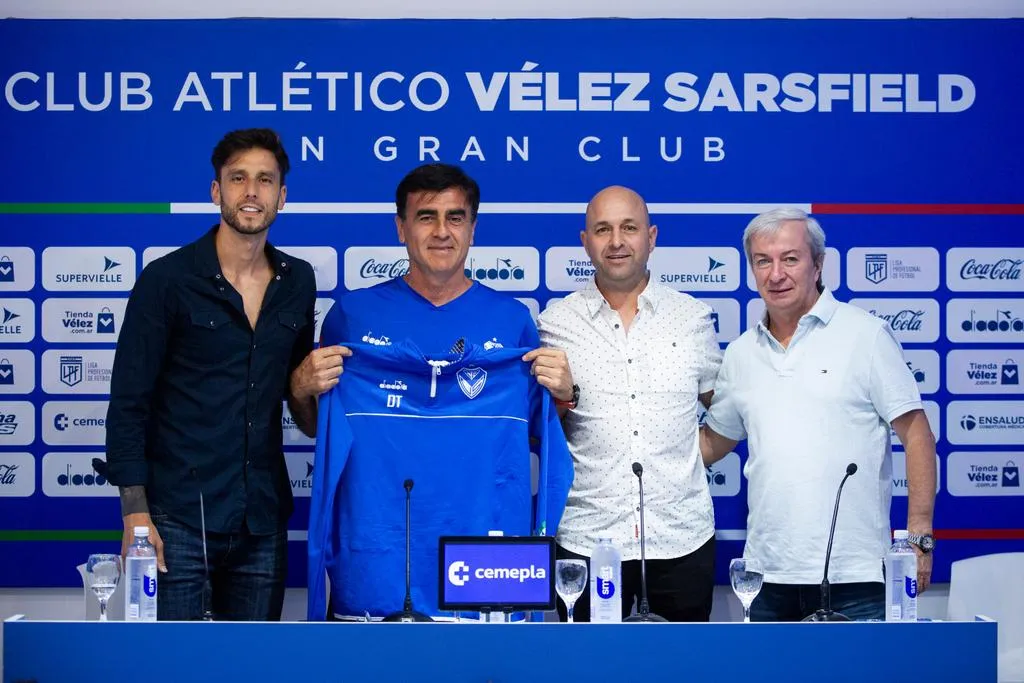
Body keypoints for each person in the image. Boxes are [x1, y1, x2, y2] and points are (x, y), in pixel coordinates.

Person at [302, 163, 573, 620]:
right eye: (426, 216)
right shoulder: (351, 318)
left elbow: (543, 442)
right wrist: (302, 387)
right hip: (379, 571)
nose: (442, 231)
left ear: (473, 229)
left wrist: (563, 396)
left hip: (491, 569)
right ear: (401, 228)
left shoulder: (513, 322)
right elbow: (320, 430)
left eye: (456, 217)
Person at [106, 128, 317, 621]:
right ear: (215, 191)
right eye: (237, 178)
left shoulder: (298, 281)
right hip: (176, 517)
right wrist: (135, 514)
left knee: (253, 669)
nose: (251, 191)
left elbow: (299, 400)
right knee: (175, 669)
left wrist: (308, 390)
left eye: (265, 180)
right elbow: (128, 402)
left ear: (281, 196)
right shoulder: (167, 280)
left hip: (261, 520)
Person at [701, 207, 937, 622]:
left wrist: (919, 539)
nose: (776, 274)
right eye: (763, 261)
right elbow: (713, 444)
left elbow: (917, 436)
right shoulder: (740, 354)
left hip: (857, 577)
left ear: (819, 264)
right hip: (766, 579)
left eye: (790, 258)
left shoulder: (866, 336)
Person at [537, 185, 722, 622]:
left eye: (629, 228)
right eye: (602, 229)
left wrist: (688, 456)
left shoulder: (692, 318)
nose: (616, 241)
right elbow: (536, 431)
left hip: (681, 540)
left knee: (683, 674)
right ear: (585, 241)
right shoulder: (554, 324)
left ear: (652, 237)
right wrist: (565, 397)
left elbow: (729, 414)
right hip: (587, 539)